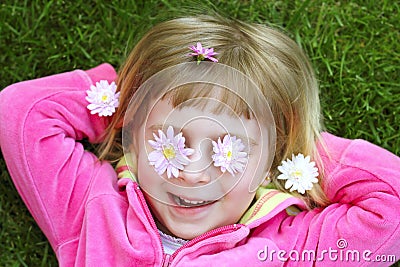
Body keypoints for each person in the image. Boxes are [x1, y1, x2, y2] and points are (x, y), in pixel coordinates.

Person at [0, 15, 399, 266]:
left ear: (269, 158)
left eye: (229, 150)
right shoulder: (91, 210)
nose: (192, 173)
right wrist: (121, 102)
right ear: (133, 137)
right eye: (167, 141)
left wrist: (295, 148)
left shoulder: (290, 249)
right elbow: (22, 111)